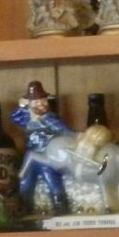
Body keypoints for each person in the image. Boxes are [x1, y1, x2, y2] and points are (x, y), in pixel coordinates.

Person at [10, 80, 70, 215]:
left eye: (43, 100)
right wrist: (21, 106)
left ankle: (61, 208)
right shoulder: (27, 118)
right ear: (29, 103)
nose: (40, 104)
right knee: (25, 182)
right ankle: (25, 209)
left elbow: (64, 130)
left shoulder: (50, 118)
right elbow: (14, 117)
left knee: (52, 181)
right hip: (30, 156)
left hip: (45, 156)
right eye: (36, 101)